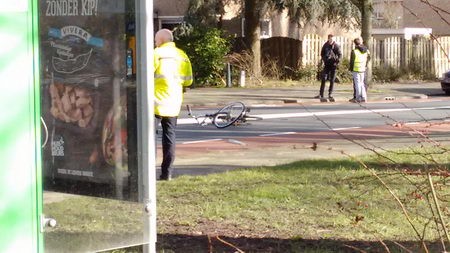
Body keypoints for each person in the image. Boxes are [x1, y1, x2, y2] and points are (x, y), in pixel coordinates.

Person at [154, 29, 193, 180]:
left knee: (149, 138)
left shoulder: (156, 54)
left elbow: (145, 76)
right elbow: (188, 80)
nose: (155, 43)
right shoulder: (182, 56)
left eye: (156, 40)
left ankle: (149, 172)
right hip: (173, 104)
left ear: (161, 41)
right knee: (169, 138)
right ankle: (167, 173)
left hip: (155, 103)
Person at [315, 34, 342, 102]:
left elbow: (340, 55)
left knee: (332, 80)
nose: (331, 40)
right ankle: (321, 94)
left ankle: (330, 94)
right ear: (328, 39)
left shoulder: (336, 46)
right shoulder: (325, 45)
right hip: (327, 64)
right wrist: (324, 59)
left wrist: (337, 62)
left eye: (332, 39)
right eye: (330, 39)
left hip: (333, 65)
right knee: (323, 78)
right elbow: (322, 53)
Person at [349, 37, 370, 103]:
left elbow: (352, 61)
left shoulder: (354, 51)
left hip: (356, 69)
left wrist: (351, 69)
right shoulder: (366, 50)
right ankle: (364, 97)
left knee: (357, 83)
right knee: (362, 84)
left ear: (355, 44)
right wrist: (365, 65)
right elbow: (369, 57)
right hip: (363, 68)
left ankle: (358, 97)